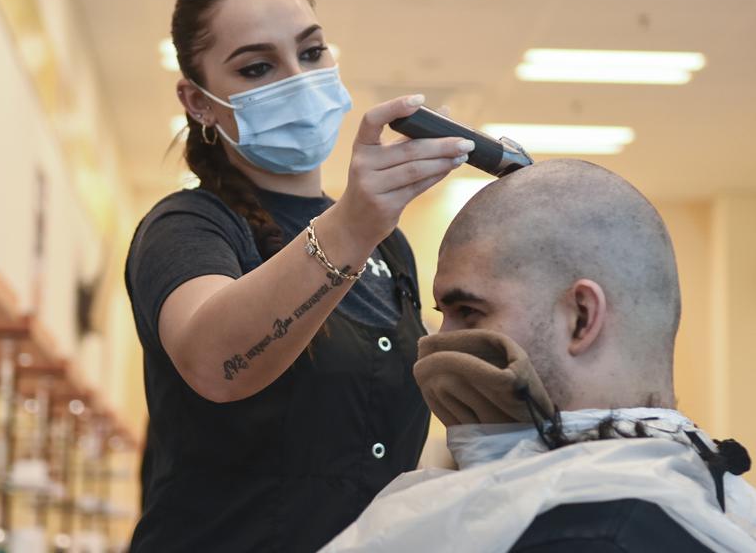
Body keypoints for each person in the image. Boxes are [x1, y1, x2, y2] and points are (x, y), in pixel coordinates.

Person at [124, 0, 475, 550]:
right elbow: (217, 364)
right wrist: (353, 226)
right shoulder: (187, 227)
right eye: (258, 67)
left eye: (311, 53)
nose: (297, 79)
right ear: (198, 101)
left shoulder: (389, 250)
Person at [322, 159, 756, 552]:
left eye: (469, 311)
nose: (438, 341)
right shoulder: (708, 502)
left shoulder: (588, 535)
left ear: (581, 318)